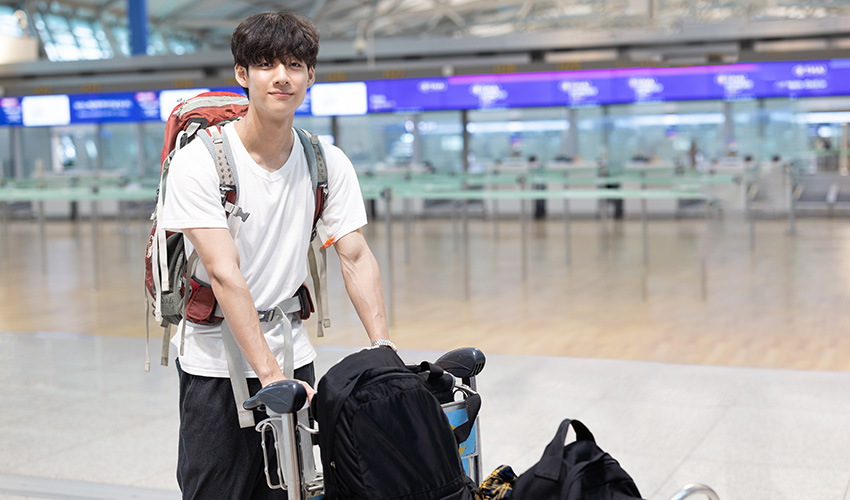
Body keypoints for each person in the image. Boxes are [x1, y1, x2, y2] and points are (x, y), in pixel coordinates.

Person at [158, 11, 392, 500]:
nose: (281, 76)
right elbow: (224, 275)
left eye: (294, 64)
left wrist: (381, 347)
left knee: (290, 490)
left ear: (310, 75)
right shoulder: (200, 161)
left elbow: (355, 256)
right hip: (215, 365)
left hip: (292, 353)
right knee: (214, 491)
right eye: (265, 65)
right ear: (242, 75)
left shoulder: (326, 161)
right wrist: (268, 377)